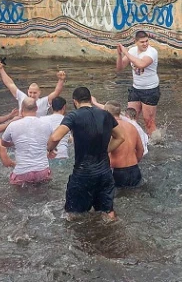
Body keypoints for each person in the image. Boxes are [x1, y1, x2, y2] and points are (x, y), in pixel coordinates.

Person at [48, 87, 125, 220]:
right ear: (90, 99)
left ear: (75, 101)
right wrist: (105, 150)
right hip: (104, 173)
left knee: (73, 215)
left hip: (83, 174)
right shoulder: (106, 114)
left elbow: (55, 137)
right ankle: (113, 233)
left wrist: (50, 149)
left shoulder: (74, 116)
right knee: (107, 211)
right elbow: (120, 137)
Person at [116, 30, 160, 135]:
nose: (145, 44)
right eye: (142, 42)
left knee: (148, 121)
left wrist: (125, 52)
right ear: (136, 42)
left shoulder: (151, 52)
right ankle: (135, 140)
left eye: (146, 41)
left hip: (150, 90)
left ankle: (156, 143)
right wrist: (119, 54)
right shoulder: (132, 51)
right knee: (129, 119)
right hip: (136, 89)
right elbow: (119, 68)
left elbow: (141, 64)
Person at [1, 98, 53, 185]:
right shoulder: (47, 124)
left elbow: (3, 143)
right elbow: (51, 142)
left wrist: (14, 143)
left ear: (21, 109)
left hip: (21, 172)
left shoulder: (13, 125)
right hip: (42, 170)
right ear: (36, 108)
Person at [0, 61, 66, 117]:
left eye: (35, 93)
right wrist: (1, 70)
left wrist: (61, 80)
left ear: (39, 92)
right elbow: (10, 84)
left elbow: (56, 92)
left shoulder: (43, 102)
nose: (32, 95)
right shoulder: (22, 97)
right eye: (30, 92)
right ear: (27, 91)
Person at [104, 102, 144, 188]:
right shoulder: (132, 126)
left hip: (118, 171)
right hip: (135, 170)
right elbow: (141, 150)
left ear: (106, 112)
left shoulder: (109, 127)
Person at [44, 96, 70, 160]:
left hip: (48, 155)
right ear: (64, 107)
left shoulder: (44, 120)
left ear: (52, 107)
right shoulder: (68, 120)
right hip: (63, 154)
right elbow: (70, 139)